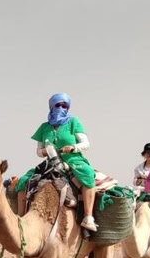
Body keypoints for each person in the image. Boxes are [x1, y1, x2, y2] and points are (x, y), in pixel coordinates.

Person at [14, 93, 98, 231]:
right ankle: (21, 218)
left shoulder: (73, 122)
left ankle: (88, 217)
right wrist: (44, 151)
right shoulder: (44, 127)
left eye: (64, 106)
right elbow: (38, 151)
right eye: (58, 105)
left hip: (73, 159)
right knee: (23, 180)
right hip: (51, 161)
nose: (61, 108)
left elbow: (86, 144)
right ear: (51, 107)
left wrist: (73, 147)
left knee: (88, 174)